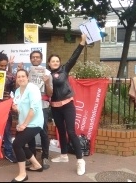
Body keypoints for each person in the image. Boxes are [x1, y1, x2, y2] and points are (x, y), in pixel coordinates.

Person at [48, 33, 87, 176]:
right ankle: (63, 155)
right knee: (61, 131)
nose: (55, 63)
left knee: (71, 132)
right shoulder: (46, 74)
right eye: (53, 61)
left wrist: (82, 42)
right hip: (55, 107)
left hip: (67, 105)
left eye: (57, 61)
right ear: (49, 63)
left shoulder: (64, 70)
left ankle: (80, 161)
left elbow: (74, 57)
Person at [18, 50, 53, 170]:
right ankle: (32, 157)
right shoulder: (28, 73)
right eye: (33, 57)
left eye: (38, 57)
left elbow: (50, 93)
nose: (35, 59)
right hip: (30, 108)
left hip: (42, 106)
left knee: (43, 132)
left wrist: (47, 83)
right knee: (30, 134)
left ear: (41, 59)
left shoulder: (47, 73)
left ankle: (45, 157)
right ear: (30, 59)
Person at [11, 69, 44, 182]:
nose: (21, 78)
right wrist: (15, 108)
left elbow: (33, 108)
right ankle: (37, 165)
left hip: (34, 123)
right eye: (18, 77)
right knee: (21, 145)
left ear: (27, 77)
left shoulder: (33, 89)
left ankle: (23, 174)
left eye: (23, 76)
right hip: (23, 123)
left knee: (17, 144)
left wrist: (24, 124)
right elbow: (18, 107)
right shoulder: (17, 91)